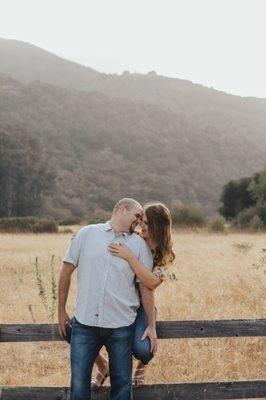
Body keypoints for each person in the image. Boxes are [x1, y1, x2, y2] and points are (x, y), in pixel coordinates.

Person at [63, 201, 176, 389]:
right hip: (114, 300)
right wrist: (85, 236)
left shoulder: (165, 254)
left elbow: (151, 284)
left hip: (140, 304)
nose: (141, 225)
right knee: (70, 330)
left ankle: (143, 364)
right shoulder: (134, 237)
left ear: (157, 226)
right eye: (140, 220)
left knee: (143, 349)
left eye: (146, 222)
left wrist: (130, 257)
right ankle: (102, 365)